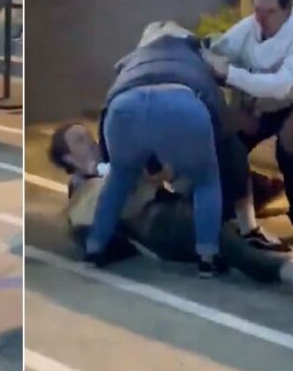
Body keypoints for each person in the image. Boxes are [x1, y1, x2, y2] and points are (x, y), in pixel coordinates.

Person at [49, 123, 293, 301]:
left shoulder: (115, 155)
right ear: (67, 157)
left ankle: (252, 227)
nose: (89, 140)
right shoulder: (80, 190)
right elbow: (97, 237)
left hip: (172, 201)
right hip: (156, 223)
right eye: (79, 140)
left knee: (225, 155)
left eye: (86, 135)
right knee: (218, 235)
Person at [88, 22, 229, 276]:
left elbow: (113, 90)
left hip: (122, 107)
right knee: (206, 180)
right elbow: (218, 89)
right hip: (181, 103)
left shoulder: (133, 57)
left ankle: (95, 247)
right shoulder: (194, 53)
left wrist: (106, 155)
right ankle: (208, 257)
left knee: (118, 179)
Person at [203, 0, 293, 249]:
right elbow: (221, 48)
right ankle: (238, 205)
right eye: (258, 11)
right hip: (256, 103)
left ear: (287, 8)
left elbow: (281, 85)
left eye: (270, 12)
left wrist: (230, 73)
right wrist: (203, 49)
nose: (262, 19)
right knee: (230, 146)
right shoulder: (249, 27)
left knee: (288, 154)